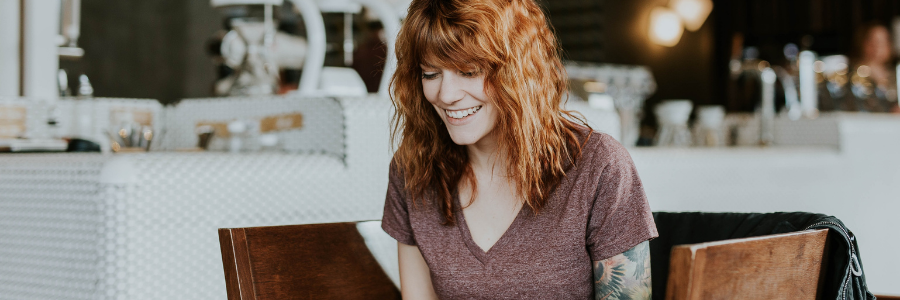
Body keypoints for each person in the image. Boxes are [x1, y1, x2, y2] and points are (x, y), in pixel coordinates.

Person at [381, 0, 658, 299]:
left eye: (469, 71)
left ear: (519, 70)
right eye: (431, 74)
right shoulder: (412, 169)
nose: (446, 95)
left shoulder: (599, 166)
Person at [847, 23, 900, 113]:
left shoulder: (895, 74)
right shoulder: (853, 74)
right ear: (862, 42)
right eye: (873, 41)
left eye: (883, 41)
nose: (878, 46)